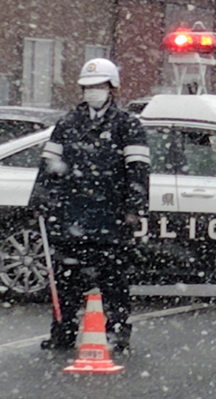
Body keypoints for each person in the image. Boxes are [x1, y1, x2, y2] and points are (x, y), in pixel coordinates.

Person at [33, 57, 150, 354]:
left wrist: (134, 207)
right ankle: (63, 333)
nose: (92, 91)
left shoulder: (127, 125)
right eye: (87, 86)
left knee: (114, 282)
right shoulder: (68, 124)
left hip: (111, 216)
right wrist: (40, 199)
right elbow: (48, 165)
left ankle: (117, 333)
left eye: (98, 86)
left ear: (112, 88)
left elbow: (138, 170)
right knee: (65, 280)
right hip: (70, 214)